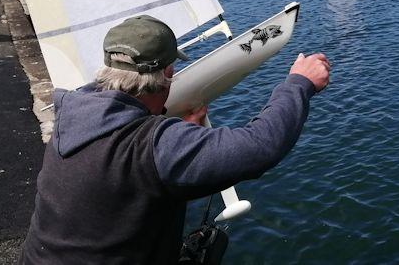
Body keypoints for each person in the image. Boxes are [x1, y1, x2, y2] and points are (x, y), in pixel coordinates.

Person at [19, 15, 331, 264]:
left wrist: (175, 130)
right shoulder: (154, 147)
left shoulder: (73, 115)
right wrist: (298, 84)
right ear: (167, 75)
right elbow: (261, 146)